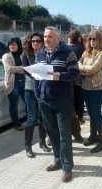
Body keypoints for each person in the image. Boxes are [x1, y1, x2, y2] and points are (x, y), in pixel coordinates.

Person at [34, 26, 80, 182]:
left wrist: (58, 76)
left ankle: (67, 168)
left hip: (62, 100)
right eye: (45, 36)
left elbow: (75, 73)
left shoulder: (68, 52)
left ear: (58, 38)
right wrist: (37, 94)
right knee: (52, 133)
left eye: (50, 36)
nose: (47, 39)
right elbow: (36, 76)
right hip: (44, 100)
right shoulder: (40, 53)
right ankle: (57, 160)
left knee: (64, 135)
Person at [22, 32, 50, 158]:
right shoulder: (26, 55)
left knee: (43, 117)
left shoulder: (47, 54)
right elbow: (26, 71)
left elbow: (49, 70)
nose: (35, 43)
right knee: (32, 117)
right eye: (33, 41)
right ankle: (28, 146)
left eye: (38, 41)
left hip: (43, 89)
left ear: (42, 43)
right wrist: (38, 74)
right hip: (30, 89)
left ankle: (42, 142)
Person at [79, 30, 102, 153]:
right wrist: (85, 70)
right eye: (90, 39)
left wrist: (82, 68)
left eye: (94, 39)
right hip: (85, 86)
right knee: (90, 113)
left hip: (96, 87)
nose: (92, 41)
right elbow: (79, 63)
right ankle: (93, 136)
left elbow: (94, 69)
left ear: (99, 40)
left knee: (96, 114)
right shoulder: (86, 52)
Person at [2, 37, 26, 131]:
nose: (11, 46)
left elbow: (27, 68)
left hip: (23, 82)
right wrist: (23, 68)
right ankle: (17, 124)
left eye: (14, 44)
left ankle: (32, 119)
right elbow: (10, 69)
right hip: (13, 84)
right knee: (14, 105)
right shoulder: (6, 56)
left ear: (18, 45)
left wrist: (19, 69)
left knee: (28, 102)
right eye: (10, 44)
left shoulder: (22, 54)